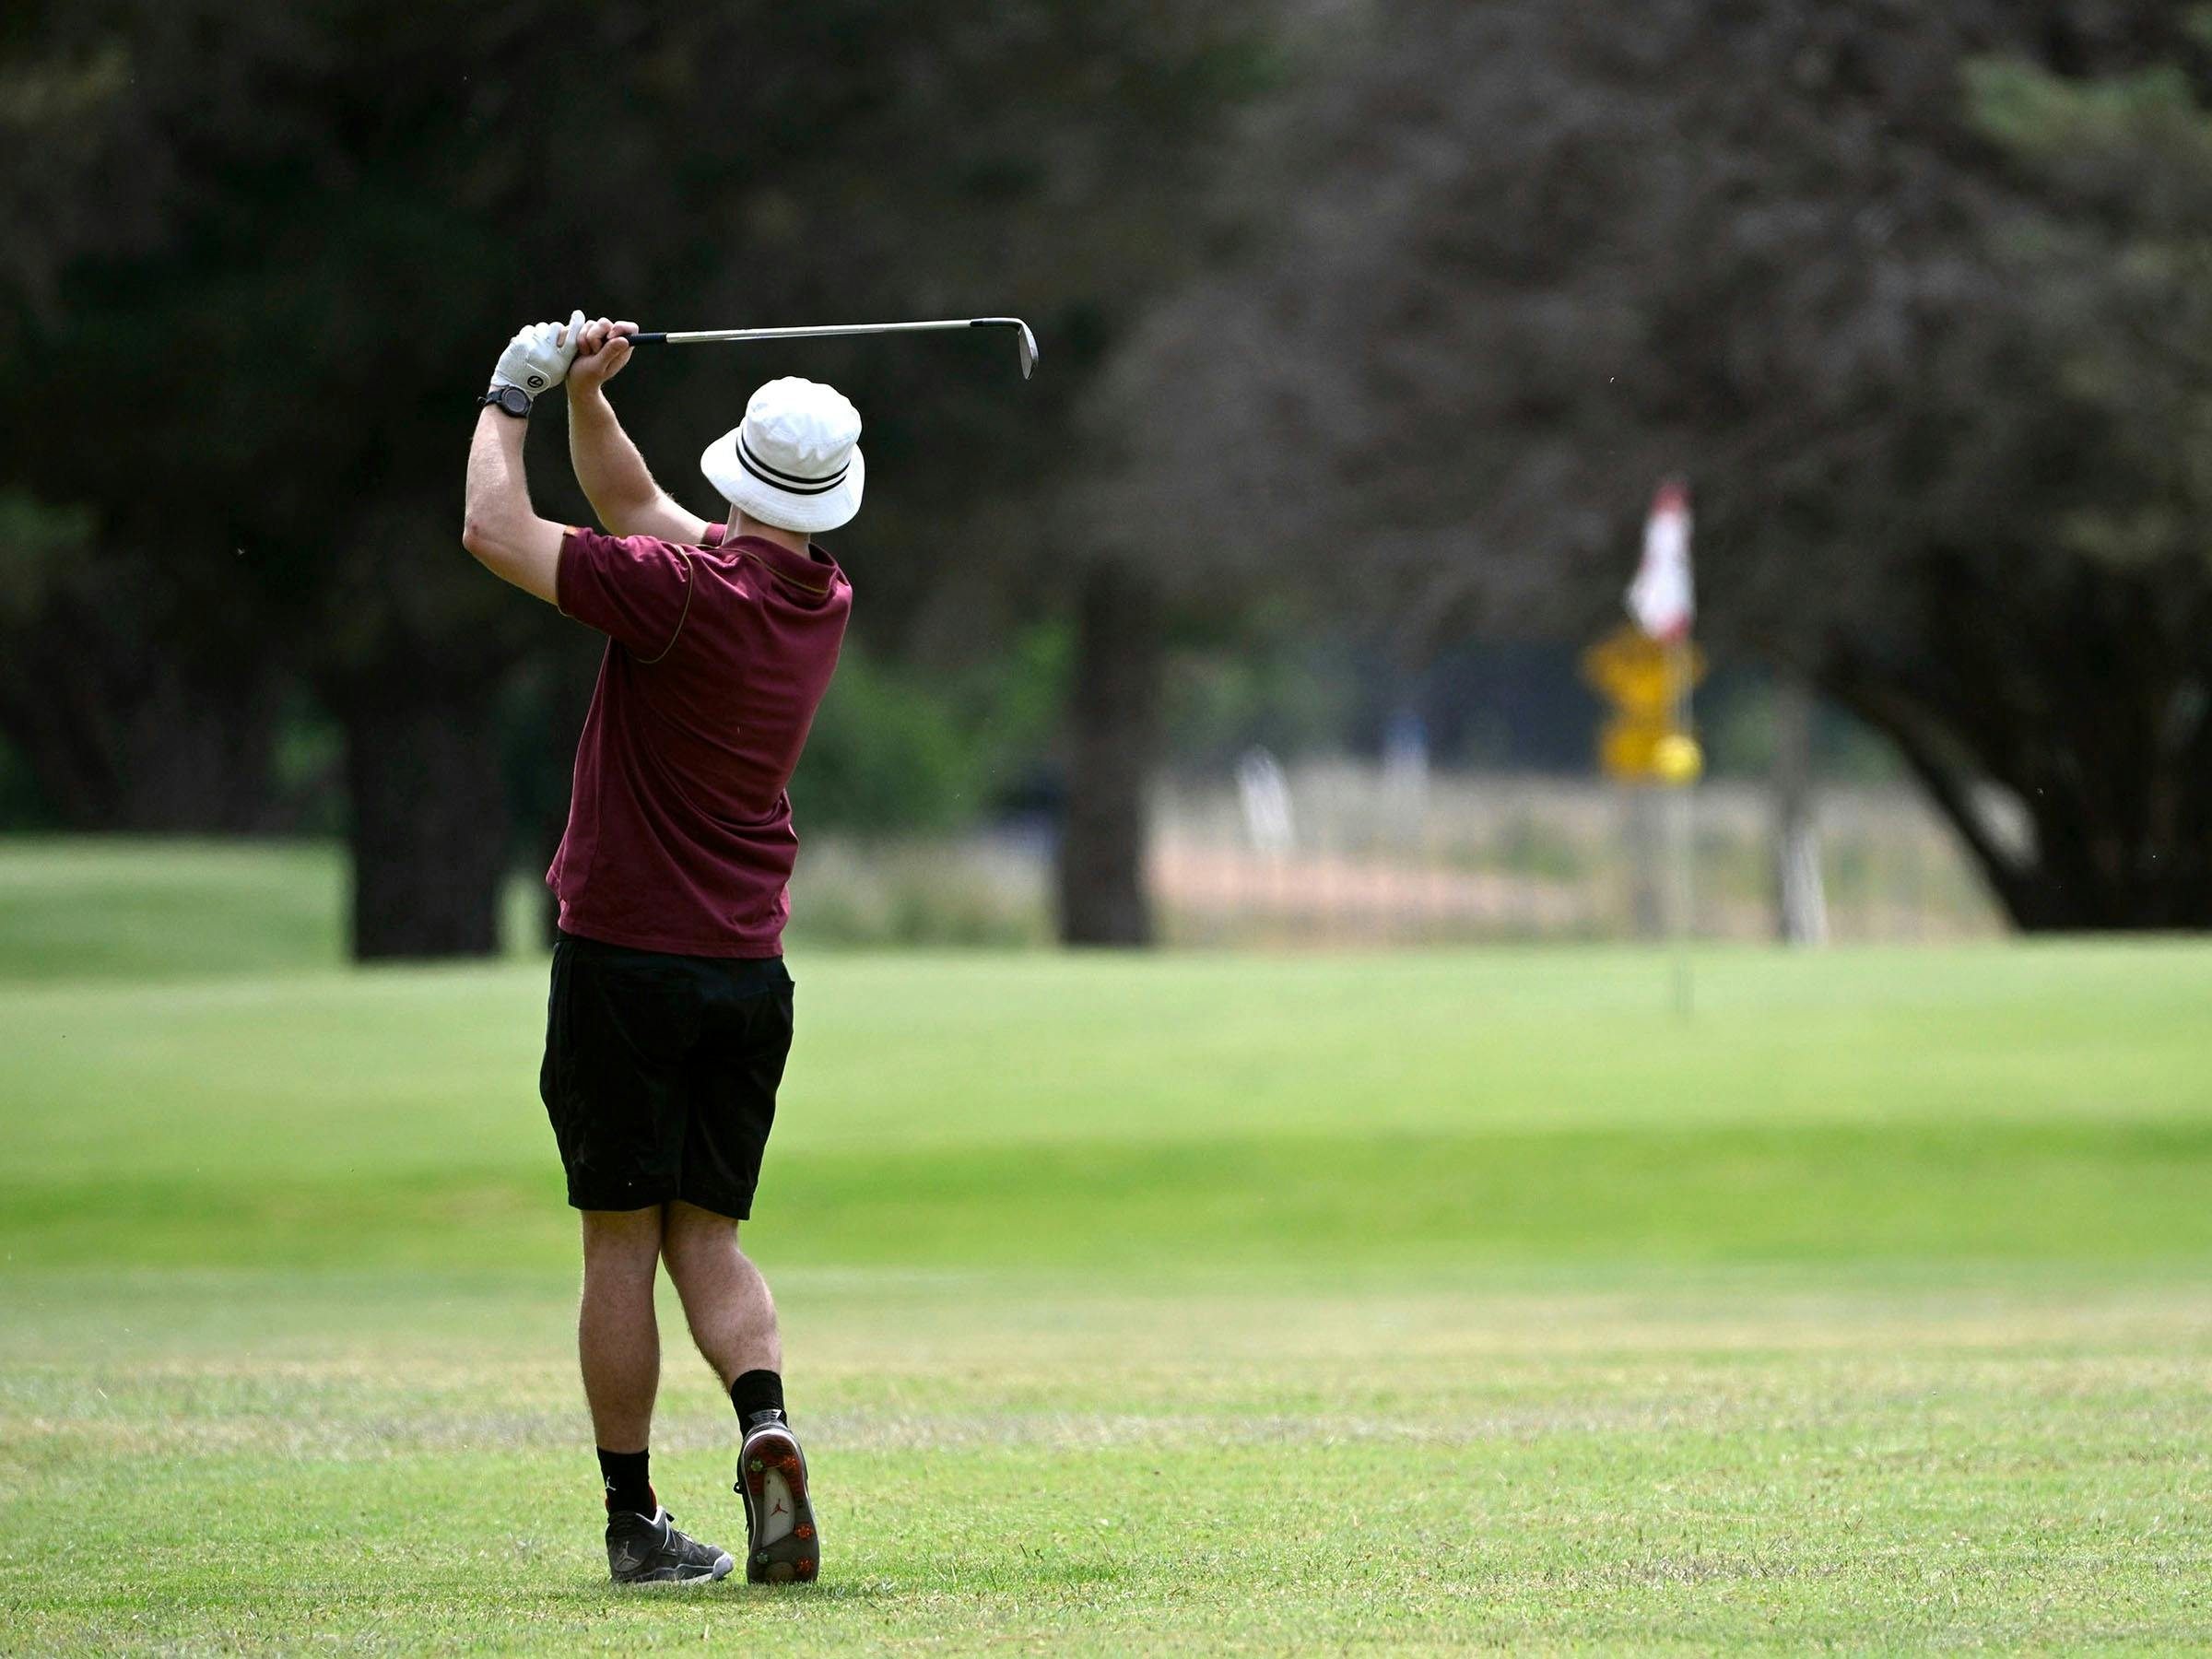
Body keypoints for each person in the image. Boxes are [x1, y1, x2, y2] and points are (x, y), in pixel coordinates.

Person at [461, 312, 856, 1586]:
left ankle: (636, 1523)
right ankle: (765, 1423)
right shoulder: (813, 595)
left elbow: (494, 533)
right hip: (748, 975)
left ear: (738, 473)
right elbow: (637, 503)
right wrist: (591, 395)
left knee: (618, 1244)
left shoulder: (683, 595)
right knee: (711, 1238)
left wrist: (510, 395)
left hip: (626, 961)